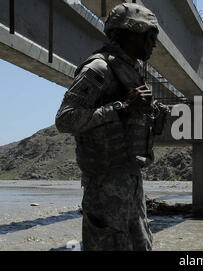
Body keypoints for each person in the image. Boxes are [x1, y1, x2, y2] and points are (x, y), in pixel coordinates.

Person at [55, 3, 169, 251]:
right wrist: (122, 107)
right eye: (150, 37)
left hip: (130, 183)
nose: (154, 44)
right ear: (131, 33)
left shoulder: (131, 71)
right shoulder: (99, 68)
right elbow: (65, 119)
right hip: (104, 190)